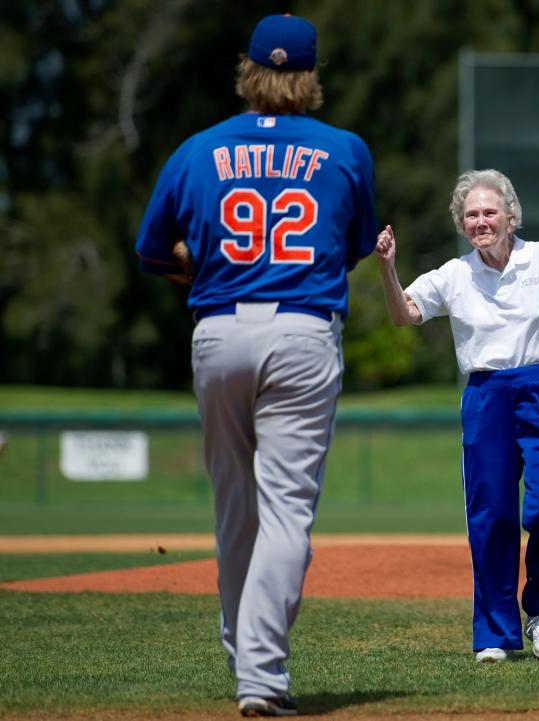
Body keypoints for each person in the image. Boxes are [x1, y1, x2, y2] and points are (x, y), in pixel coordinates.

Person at [135, 14, 377, 717]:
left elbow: (154, 250)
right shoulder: (345, 150)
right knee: (286, 512)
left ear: (249, 70)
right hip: (302, 331)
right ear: (311, 75)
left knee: (235, 509)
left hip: (217, 330)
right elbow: (351, 242)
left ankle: (245, 652)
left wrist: (211, 266)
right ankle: (262, 676)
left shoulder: (197, 149)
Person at [375, 169, 539, 662]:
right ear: (462, 222)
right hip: (487, 395)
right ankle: (495, 635)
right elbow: (403, 315)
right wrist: (388, 269)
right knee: (491, 515)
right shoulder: (454, 274)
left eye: (489, 212)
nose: (481, 221)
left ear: (510, 215)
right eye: (471, 214)